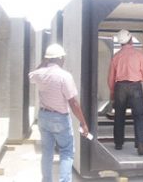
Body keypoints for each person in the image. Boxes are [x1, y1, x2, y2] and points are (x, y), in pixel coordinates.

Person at [29, 43, 89, 182]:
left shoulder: (40, 74)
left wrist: (44, 62)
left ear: (48, 59)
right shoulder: (64, 76)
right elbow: (73, 102)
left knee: (47, 153)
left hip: (44, 117)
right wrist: (83, 123)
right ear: (61, 58)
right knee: (67, 152)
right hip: (60, 118)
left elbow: (31, 75)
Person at [107, 29, 143, 156]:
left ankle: (118, 143)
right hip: (135, 87)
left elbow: (111, 78)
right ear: (131, 39)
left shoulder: (116, 57)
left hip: (120, 87)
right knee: (139, 116)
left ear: (121, 42)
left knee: (119, 116)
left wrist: (112, 92)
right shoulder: (139, 55)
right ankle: (140, 144)